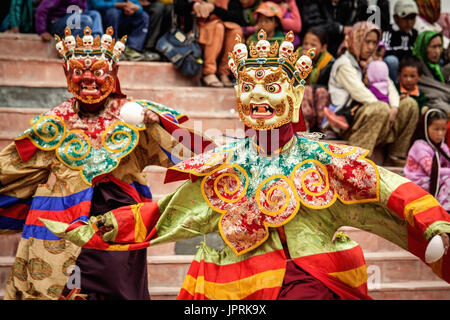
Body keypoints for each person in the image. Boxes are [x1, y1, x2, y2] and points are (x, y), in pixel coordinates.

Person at [43, 29, 450, 300]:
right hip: (241, 288)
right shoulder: (228, 166)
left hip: (313, 277)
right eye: (249, 86)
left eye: (270, 87)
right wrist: (100, 228)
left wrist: (433, 221)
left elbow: (385, 187)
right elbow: (166, 214)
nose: (258, 96)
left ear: (292, 96)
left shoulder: (324, 162)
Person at [0, 26, 214, 300]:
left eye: (98, 72)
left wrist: (161, 122)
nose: (88, 79)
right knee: (56, 288)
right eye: (78, 72)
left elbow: (191, 154)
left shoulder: (134, 117)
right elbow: (12, 165)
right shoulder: (53, 124)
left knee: (117, 288)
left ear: (112, 73)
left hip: (117, 222)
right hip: (62, 218)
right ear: (67, 74)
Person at [327, 21, 419, 166]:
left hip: (379, 118)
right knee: (379, 108)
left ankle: (395, 157)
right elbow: (361, 94)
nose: (371, 47)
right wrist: (387, 108)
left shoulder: (372, 63)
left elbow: (389, 87)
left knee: (410, 105)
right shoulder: (344, 64)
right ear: (356, 40)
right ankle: (357, 162)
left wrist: (394, 107)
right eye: (367, 41)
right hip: (347, 123)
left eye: (374, 42)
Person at [325, 59, 391, 132]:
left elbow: (365, 97)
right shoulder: (386, 86)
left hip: (374, 110)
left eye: (366, 72)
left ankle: (344, 118)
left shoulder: (373, 88)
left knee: (355, 105)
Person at [190, 0, 245, 87]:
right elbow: (179, 7)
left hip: (220, 41)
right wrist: (194, 6)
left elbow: (239, 19)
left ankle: (223, 72)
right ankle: (208, 72)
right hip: (198, 39)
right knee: (217, 27)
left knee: (236, 30)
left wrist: (214, 9)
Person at [404, 108, 450, 212]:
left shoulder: (441, 146)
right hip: (418, 183)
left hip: (433, 180)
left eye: (443, 129)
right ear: (425, 128)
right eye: (436, 129)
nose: (440, 133)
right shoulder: (419, 146)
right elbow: (432, 171)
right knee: (449, 181)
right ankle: (441, 211)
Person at [299, 26, 335, 132]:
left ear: (323, 47)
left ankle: (325, 129)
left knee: (317, 91)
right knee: (302, 90)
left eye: (313, 45)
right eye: (305, 44)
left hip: (319, 101)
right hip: (304, 102)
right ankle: (303, 128)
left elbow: (327, 87)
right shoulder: (295, 57)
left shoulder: (329, 63)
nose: (308, 47)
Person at [381, 0, 419, 83]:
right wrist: (405, 53)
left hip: (407, 67)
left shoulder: (414, 34)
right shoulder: (388, 31)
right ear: (396, 18)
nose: (409, 22)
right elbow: (384, 51)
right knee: (392, 61)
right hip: (392, 69)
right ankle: (394, 87)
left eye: (412, 18)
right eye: (405, 18)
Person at [413, 30, 450, 112]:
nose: (437, 51)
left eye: (440, 46)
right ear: (424, 47)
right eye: (433, 47)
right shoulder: (415, 68)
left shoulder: (439, 69)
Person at [35, 0, 103, 41]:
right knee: (85, 20)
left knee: (95, 14)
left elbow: (83, 10)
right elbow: (42, 10)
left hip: (72, 20)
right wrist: (42, 31)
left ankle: (96, 43)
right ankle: (70, 48)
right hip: (56, 23)